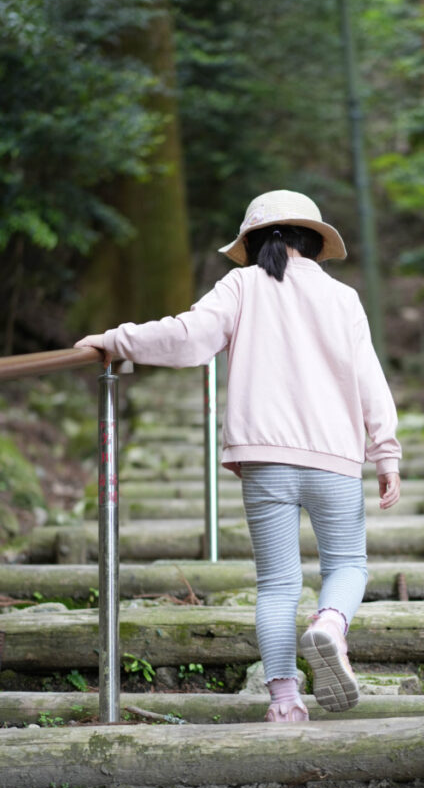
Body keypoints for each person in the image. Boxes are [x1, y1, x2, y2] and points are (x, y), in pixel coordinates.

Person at [75, 189, 401, 722]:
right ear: (314, 243)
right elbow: (371, 379)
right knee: (347, 564)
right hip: (334, 459)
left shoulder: (241, 285)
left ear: (251, 244)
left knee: (276, 583)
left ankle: (284, 702)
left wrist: (117, 340)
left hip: (265, 460)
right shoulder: (344, 299)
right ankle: (331, 624)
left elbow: (186, 339)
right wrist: (385, 453)